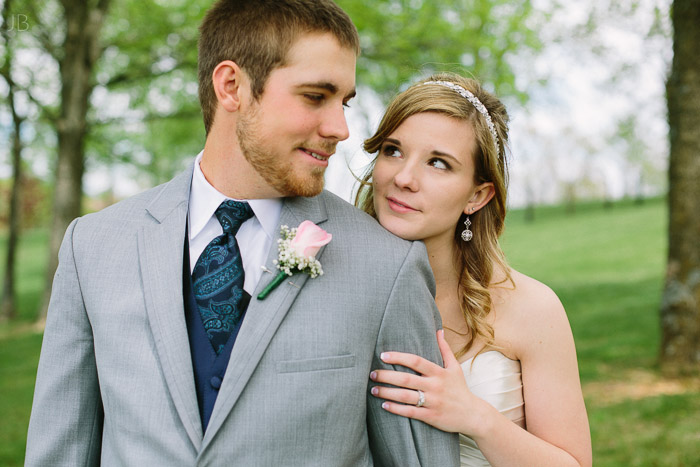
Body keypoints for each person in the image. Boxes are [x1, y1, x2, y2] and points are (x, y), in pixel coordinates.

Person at [25, 1, 459, 465]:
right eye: (315, 96)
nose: (340, 129)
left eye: (345, 103)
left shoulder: (386, 267)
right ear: (231, 85)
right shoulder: (91, 246)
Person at [356, 72, 592, 466]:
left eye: (438, 163)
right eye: (393, 150)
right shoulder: (337, 287)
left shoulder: (533, 309)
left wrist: (475, 417)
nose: (403, 178)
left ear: (477, 195)